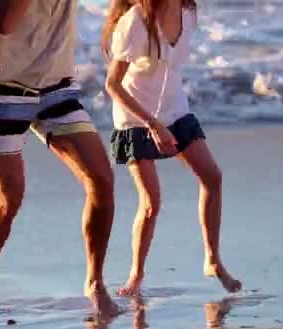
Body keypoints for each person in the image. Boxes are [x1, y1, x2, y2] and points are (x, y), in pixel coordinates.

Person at [0, 0, 119, 318]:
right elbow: (4, 23)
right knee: (7, 199)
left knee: (101, 179)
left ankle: (95, 281)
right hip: (4, 90)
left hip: (58, 90)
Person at [103, 0, 242, 296]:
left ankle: (213, 260)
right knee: (152, 202)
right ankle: (136, 275)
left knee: (212, 177)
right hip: (136, 117)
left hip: (174, 109)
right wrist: (152, 124)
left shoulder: (187, 12)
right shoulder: (136, 22)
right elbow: (113, 85)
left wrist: (164, 121)